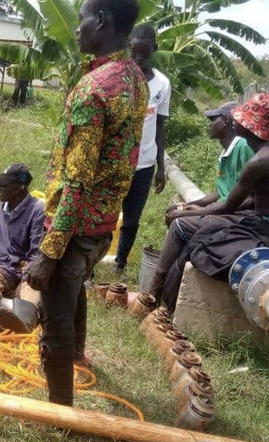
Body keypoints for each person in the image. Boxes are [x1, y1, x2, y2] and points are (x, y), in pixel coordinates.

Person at [26, 0, 147, 407]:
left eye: (80, 21)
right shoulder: (134, 77)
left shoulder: (94, 90)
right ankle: (78, 355)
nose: (76, 30)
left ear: (100, 20)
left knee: (55, 318)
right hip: (102, 223)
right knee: (75, 288)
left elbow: (77, 180)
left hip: (74, 226)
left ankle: (61, 410)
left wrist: (49, 250)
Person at [147, 92, 269, 305]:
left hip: (267, 226)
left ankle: (151, 297)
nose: (235, 122)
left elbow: (229, 206)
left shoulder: (259, 161)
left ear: (247, 126)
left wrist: (188, 212)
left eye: (239, 119)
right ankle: (162, 296)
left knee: (181, 227)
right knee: (192, 224)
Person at [113, 24, 170, 275]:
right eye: (135, 53)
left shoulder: (162, 85)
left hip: (144, 165)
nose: (138, 59)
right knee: (105, 214)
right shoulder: (117, 78)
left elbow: (159, 126)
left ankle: (120, 263)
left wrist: (161, 167)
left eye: (144, 54)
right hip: (115, 161)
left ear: (154, 50)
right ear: (129, 48)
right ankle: (90, 264)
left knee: (131, 219)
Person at [0, 163, 46, 333]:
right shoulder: (4, 205)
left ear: (19, 188)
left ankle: (24, 321)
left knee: (32, 285)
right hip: (6, 265)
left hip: (27, 267)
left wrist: (28, 272)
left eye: (4, 185)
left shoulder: (37, 210)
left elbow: (36, 253)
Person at [165, 101, 254, 214]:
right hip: (224, 209)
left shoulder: (243, 147)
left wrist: (202, 211)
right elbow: (220, 191)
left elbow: (250, 199)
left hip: (238, 214)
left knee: (179, 224)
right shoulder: (225, 153)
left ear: (225, 121)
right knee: (174, 212)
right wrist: (189, 205)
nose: (209, 124)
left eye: (213, 120)